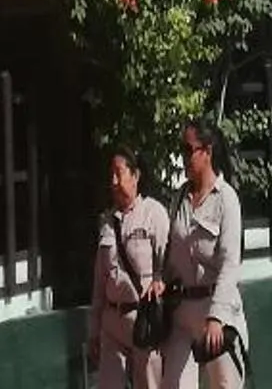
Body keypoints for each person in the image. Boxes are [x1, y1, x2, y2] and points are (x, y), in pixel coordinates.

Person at [159, 117, 248, 389]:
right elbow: (172, 250)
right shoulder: (179, 198)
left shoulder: (226, 199)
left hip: (215, 310)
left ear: (207, 151)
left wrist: (216, 317)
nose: (183, 157)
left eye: (189, 150)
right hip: (182, 311)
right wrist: (160, 279)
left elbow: (230, 263)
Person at [92, 144, 170, 389]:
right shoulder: (107, 221)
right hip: (112, 322)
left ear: (135, 176)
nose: (114, 181)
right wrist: (94, 329)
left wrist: (160, 282)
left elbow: (169, 264)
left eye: (119, 173)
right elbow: (99, 279)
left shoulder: (153, 214)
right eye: (110, 175)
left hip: (143, 322)